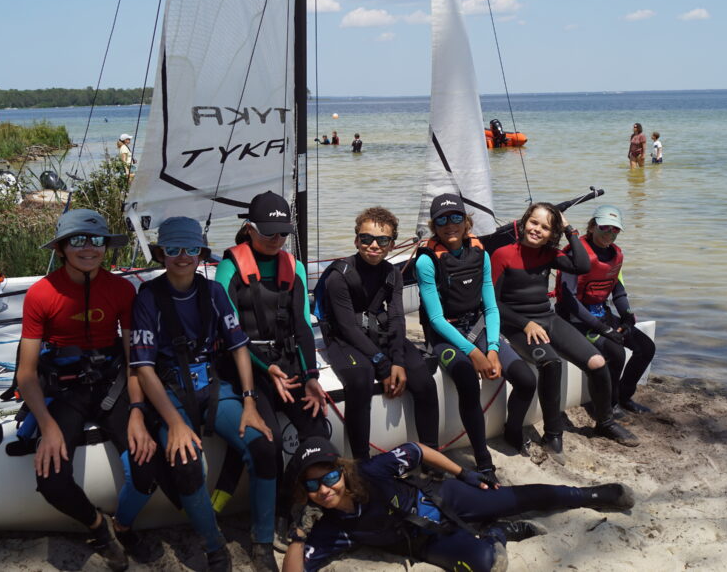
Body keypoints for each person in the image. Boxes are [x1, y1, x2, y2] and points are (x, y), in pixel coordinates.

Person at [130, 216, 277, 571]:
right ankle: (215, 548)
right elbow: (144, 368)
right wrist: (174, 424)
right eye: (173, 249)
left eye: (191, 249)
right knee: (186, 464)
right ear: (160, 253)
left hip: (212, 388)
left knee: (264, 449)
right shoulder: (148, 298)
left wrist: (249, 401)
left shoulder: (212, 293)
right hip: (172, 395)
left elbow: (239, 347)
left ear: (201, 254)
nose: (183, 257)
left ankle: (263, 543)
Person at [16, 209, 156, 571]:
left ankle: (123, 526)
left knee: (147, 469)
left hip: (112, 386)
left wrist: (138, 412)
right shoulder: (41, 294)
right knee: (52, 482)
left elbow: (134, 359)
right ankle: (99, 528)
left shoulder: (122, 289)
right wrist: (47, 426)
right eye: (78, 240)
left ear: (105, 247)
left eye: (96, 240)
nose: (89, 248)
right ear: (61, 248)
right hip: (66, 393)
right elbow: (26, 374)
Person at [282, 436, 635, 572]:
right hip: (424, 541)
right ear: (305, 492)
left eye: (329, 477)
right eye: (312, 485)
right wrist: (297, 536)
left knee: (516, 498)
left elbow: (418, 450)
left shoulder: (372, 471)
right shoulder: (331, 528)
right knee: (486, 564)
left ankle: (592, 494)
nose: (324, 488)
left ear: (341, 471)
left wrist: (464, 474)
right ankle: (498, 533)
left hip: (444, 498)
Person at [490, 203, 638, 464]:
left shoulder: (549, 255)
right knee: (551, 363)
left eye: (546, 227)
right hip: (515, 324)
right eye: (534, 222)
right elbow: (492, 302)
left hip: (547, 318)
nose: (537, 229)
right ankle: (552, 434)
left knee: (597, 362)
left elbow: (581, 265)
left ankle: (604, 421)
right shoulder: (503, 254)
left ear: (552, 233)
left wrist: (569, 229)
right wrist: (525, 324)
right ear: (524, 222)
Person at [213, 191, 329, 523]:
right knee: (270, 438)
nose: (276, 240)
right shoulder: (228, 268)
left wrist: (311, 378)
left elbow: (304, 327)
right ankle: (277, 510)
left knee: (318, 427)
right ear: (249, 229)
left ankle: (307, 497)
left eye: (282, 234)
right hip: (247, 365)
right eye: (268, 233)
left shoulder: (295, 268)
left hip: (287, 363)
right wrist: (269, 368)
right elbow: (228, 331)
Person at [414, 193, 535, 484]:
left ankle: (512, 431)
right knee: (468, 379)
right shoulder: (426, 262)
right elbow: (436, 320)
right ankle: (483, 460)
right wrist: (474, 353)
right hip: (446, 334)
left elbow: (491, 306)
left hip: (480, 327)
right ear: (434, 226)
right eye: (442, 220)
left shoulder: (480, 253)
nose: (450, 225)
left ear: (467, 221)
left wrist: (492, 348)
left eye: (456, 217)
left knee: (526, 379)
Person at [316, 207, 438, 460]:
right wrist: (383, 365)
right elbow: (347, 327)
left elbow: (396, 317)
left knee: (424, 381)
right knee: (360, 380)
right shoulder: (339, 276)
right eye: (366, 238)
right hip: (343, 338)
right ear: (356, 240)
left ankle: (431, 456)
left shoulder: (393, 273)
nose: (373, 245)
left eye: (382, 240)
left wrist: (399, 361)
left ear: (392, 245)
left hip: (378, 332)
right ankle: (362, 463)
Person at [556, 205, 655, 418]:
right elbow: (569, 299)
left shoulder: (615, 255)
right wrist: (601, 328)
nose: (609, 234)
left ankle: (624, 396)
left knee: (646, 348)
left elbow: (618, 291)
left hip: (602, 313)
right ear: (592, 226)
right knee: (615, 353)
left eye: (615, 230)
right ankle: (605, 405)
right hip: (576, 318)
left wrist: (627, 317)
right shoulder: (576, 253)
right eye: (604, 227)